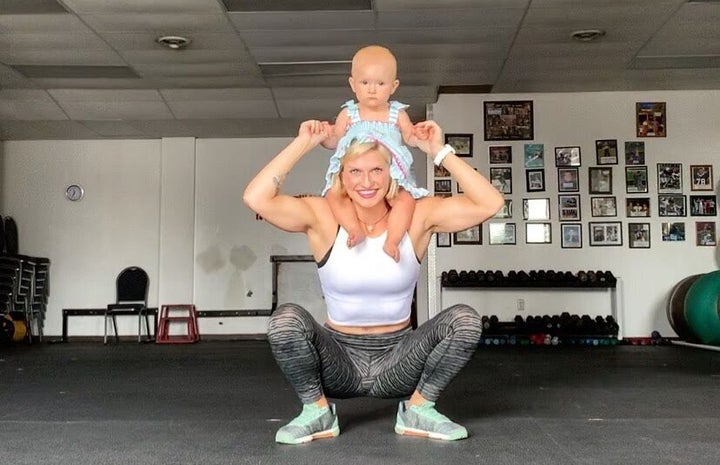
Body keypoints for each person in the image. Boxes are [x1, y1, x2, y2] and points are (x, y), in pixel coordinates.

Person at [243, 119, 504, 444]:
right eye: (355, 171)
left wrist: (439, 152)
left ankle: (418, 409)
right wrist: (304, 144)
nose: (366, 181)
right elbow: (256, 198)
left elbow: (490, 203)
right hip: (338, 360)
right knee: (285, 320)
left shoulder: (417, 217)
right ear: (341, 175)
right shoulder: (323, 216)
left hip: (400, 359)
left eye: (376, 170)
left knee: (464, 320)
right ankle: (317, 411)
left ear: (392, 173)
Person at [321, 45, 428, 262]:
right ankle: (353, 229)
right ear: (352, 84)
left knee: (405, 200)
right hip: (355, 174)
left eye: (380, 84)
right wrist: (322, 136)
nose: (372, 90)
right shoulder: (349, 113)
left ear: (393, 86)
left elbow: (409, 137)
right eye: (365, 83)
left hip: (392, 175)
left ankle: (393, 240)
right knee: (334, 195)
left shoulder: (396, 113)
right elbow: (334, 140)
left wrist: (419, 135)